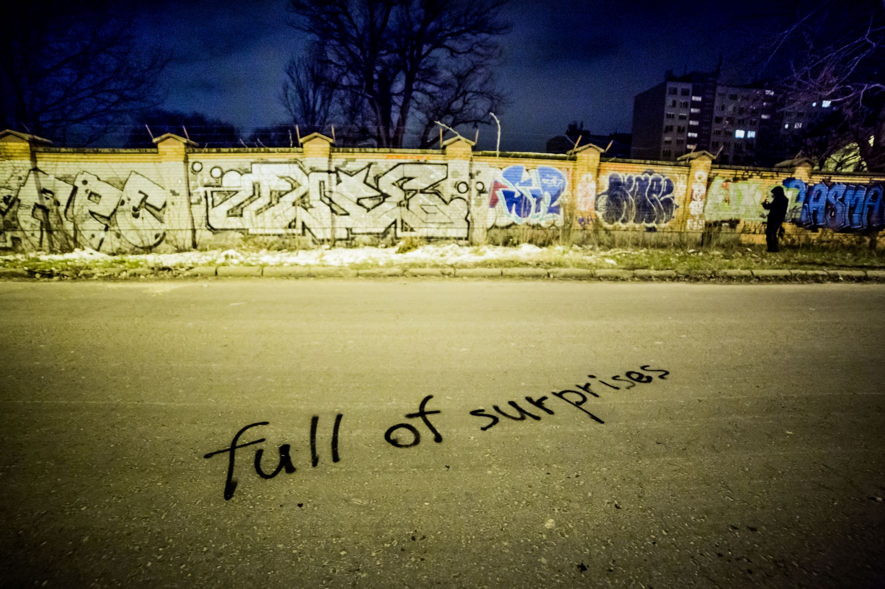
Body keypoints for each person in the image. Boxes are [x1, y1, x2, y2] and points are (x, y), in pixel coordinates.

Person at [761, 186, 788, 252]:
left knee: (770, 232)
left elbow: (770, 206)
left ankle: (772, 248)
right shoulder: (785, 199)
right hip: (780, 218)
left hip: (773, 218)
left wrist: (764, 204)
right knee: (773, 232)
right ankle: (774, 248)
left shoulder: (778, 199)